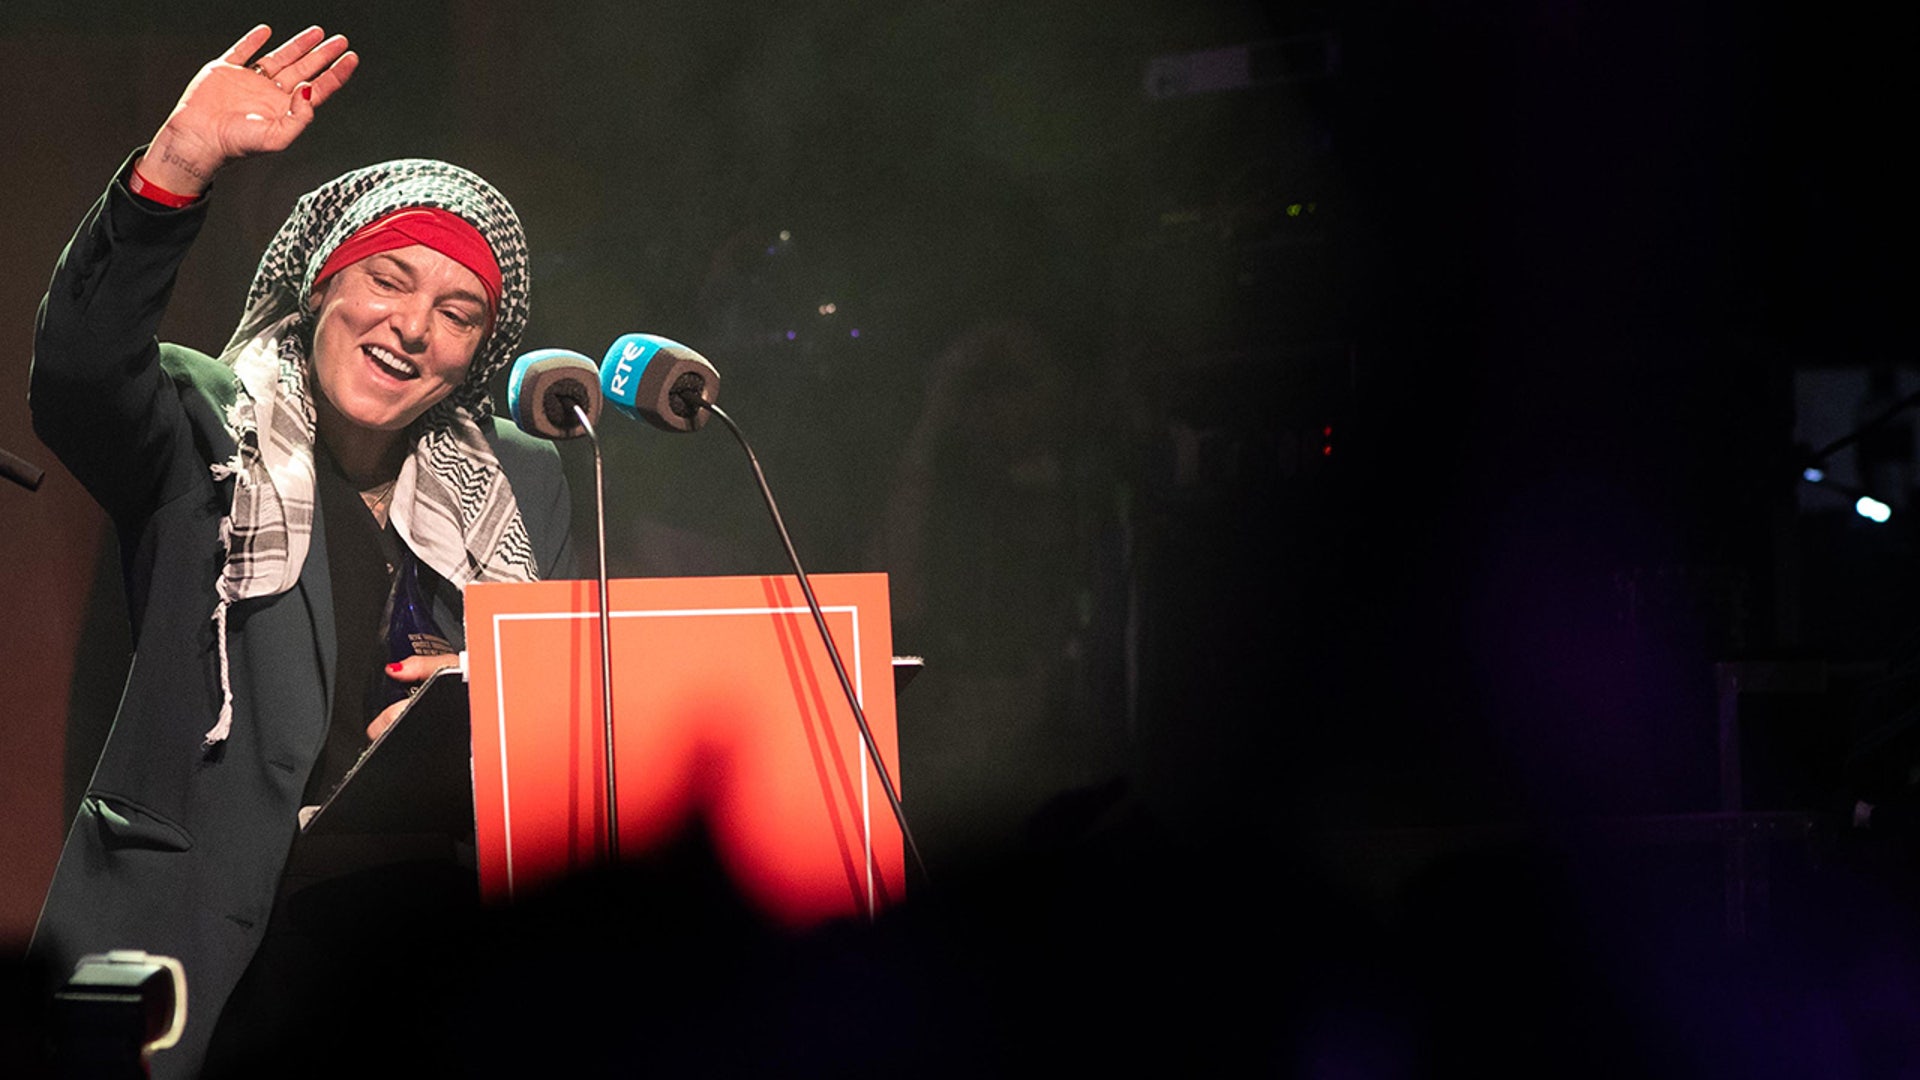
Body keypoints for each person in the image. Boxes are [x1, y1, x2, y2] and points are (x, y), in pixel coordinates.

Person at [27, 25, 572, 1076]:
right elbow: (81, 371)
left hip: (415, 937)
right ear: (321, 283)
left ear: (477, 356)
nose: (413, 325)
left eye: (456, 312)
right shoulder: (203, 421)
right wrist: (178, 164)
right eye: (389, 279)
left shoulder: (522, 476)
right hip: (192, 941)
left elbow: (561, 701)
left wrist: (484, 698)